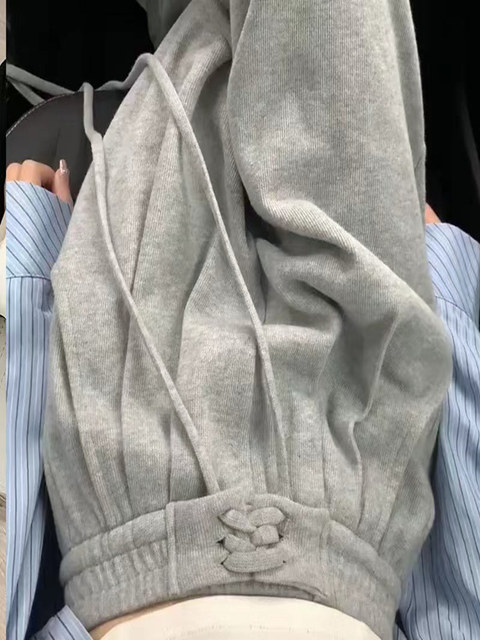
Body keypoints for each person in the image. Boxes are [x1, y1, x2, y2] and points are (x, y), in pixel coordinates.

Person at [5, 1, 477, 639]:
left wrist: (27, 270)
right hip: (351, 450)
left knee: (196, 54)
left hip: (130, 462)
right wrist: (446, 288)